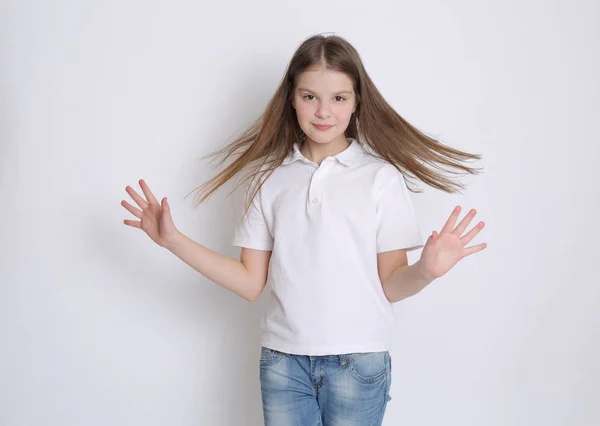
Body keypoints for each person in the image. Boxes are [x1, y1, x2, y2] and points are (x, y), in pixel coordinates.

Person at [121, 33, 487, 426]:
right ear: (291, 98)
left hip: (357, 361)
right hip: (282, 362)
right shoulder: (269, 179)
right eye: (310, 96)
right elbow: (249, 282)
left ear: (357, 101)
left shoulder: (380, 178)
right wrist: (173, 241)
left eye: (339, 98)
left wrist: (426, 272)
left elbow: (392, 284)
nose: (323, 111)